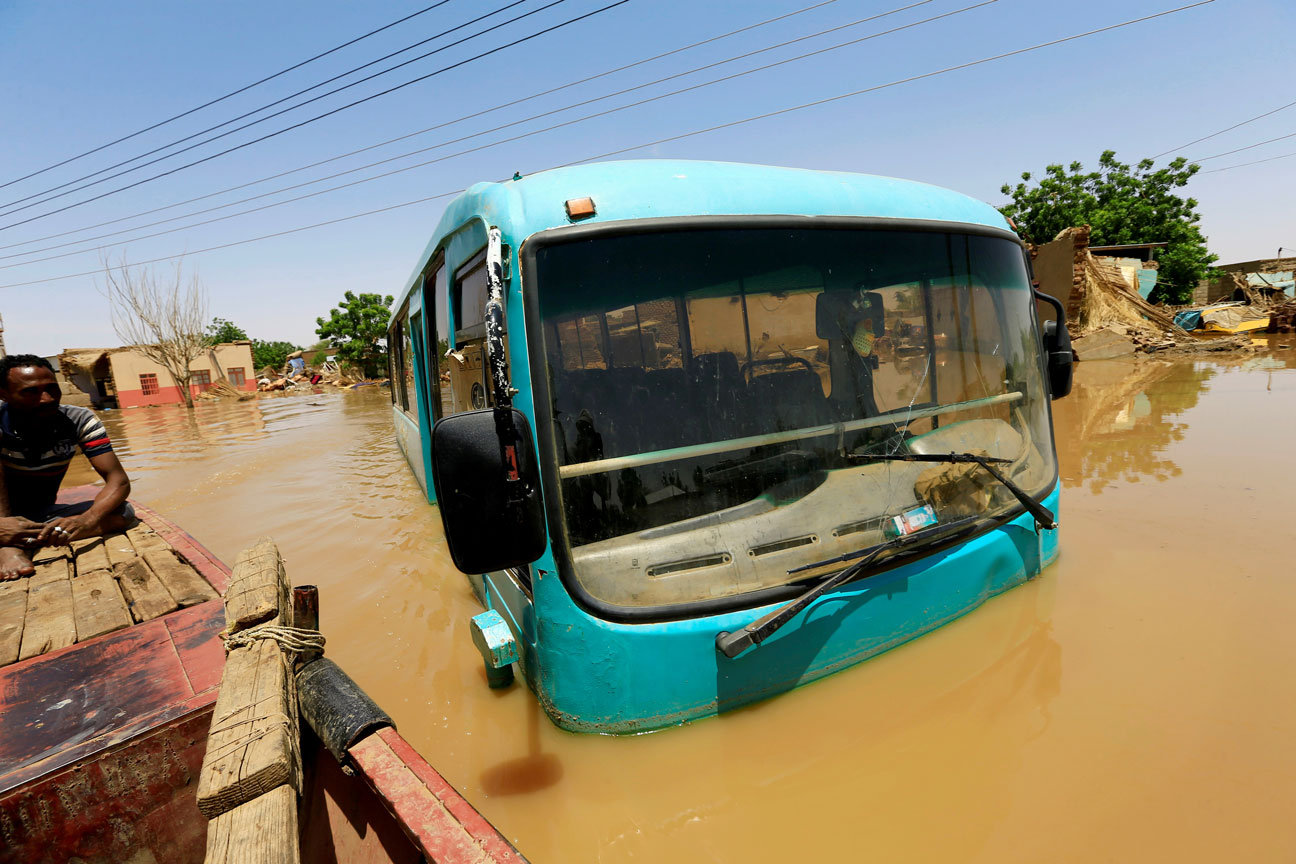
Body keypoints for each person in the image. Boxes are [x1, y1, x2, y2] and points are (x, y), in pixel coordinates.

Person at [0, 355, 133, 581]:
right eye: (31, 392)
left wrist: (85, 521)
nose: (47, 398)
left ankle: (20, 538)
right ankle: (8, 543)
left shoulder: (78, 420)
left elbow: (118, 481)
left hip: (40, 513)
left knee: (124, 513)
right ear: (3, 394)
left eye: (52, 388)